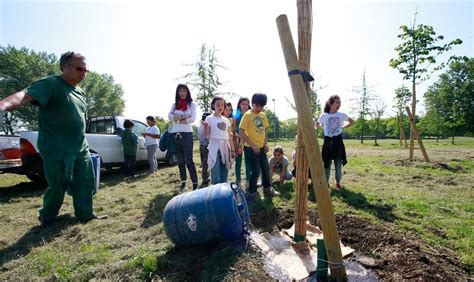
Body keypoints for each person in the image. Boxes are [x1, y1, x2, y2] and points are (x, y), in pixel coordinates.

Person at [0, 51, 104, 226]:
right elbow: (23, 96)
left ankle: (85, 215)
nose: (84, 73)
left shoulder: (80, 92)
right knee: (58, 183)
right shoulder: (50, 84)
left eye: (86, 70)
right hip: (57, 146)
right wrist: (3, 105)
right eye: (80, 68)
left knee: (86, 180)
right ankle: (47, 216)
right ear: (64, 67)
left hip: (80, 146)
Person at [239, 93, 280, 200]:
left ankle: (267, 189)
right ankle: (251, 193)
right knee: (256, 171)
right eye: (257, 106)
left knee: (266, 169)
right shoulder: (247, 115)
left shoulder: (263, 115)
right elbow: (241, 131)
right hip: (250, 149)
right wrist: (252, 145)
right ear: (252, 104)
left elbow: (265, 130)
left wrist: (265, 144)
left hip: (261, 148)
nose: (259, 108)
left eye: (261, 106)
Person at [315, 95, 354, 189]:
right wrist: (323, 129)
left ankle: (338, 183)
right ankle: (326, 183)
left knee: (337, 164)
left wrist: (343, 127)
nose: (339, 104)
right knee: (327, 164)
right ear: (330, 103)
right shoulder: (324, 116)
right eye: (337, 102)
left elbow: (352, 121)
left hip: (338, 141)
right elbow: (316, 124)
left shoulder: (341, 115)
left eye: (340, 102)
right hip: (328, 141)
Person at [168, 84, 198, 192]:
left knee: (189, 160)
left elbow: (193, 118)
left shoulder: (192, 104)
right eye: (180, 91)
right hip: (175, 134)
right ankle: (184, 183)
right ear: (177, 92)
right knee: (180, 161)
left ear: (187, 92)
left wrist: (178, 119)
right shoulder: (174, 104)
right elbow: (169, 116)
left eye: (184, 90)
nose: (182, 92)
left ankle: (195, 183)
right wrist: (182, 118)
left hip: (187, 134)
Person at [203, 97, 236, 185]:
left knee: (224, 172)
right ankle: (215, 194)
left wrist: (232, 149)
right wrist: (206, 126)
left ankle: (223, 193)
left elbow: (229, 136)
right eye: (218, 104)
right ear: (213, 105)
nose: (220, 106)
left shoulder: (226, 120)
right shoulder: (209, 118)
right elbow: (206, 135)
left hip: (225, 147)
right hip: (214, 147)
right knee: (215, 172)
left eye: (222, 105)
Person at [234, 97, 251, 188]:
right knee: (238, 162)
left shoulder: (250, 115)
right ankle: (238, 182)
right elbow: (234, 128)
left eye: (247, 104)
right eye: (243, 104)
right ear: (239, 105)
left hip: (248, 141)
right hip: (238, 141)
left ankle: (248, 182)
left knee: (248, 162)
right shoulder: (236, 114)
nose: (245, 106)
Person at [197, 112, 211, 187]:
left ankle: (205, 178)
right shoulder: (206, 126)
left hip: (201, 145)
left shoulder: (199, 126)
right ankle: (205, 179)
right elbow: (207, 137)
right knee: (206, 163)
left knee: (203, 163)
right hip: (206, 146)